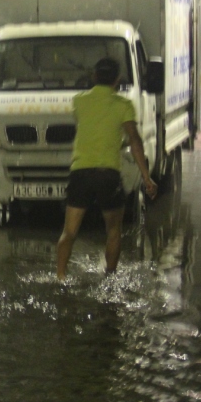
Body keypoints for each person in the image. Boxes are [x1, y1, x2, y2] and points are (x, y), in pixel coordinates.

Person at [56, 57, 157, 279]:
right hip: (107, 175)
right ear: (117, 80)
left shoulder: (79, 101)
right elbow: (135, 141)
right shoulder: (124, 105)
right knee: (113, 231)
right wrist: (146, 177)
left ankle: (60, 277)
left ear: (94, 77)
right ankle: (109, 277)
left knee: (69, 232)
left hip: (80, 173)